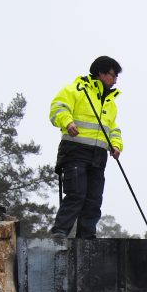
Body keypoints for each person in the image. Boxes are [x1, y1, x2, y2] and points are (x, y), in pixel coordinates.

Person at [49, 56, 123, 238]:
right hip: (75, 150)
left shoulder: (110, 103)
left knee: (94, 200)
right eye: (113, 75)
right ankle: (60, 232)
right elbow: (57, 108)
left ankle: (87, 238)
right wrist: (67, 122)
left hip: (98, 155)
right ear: (101, 73)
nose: (115, 80)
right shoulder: (76, 89)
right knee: (76, 194)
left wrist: (116, 144)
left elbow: (113, 128)